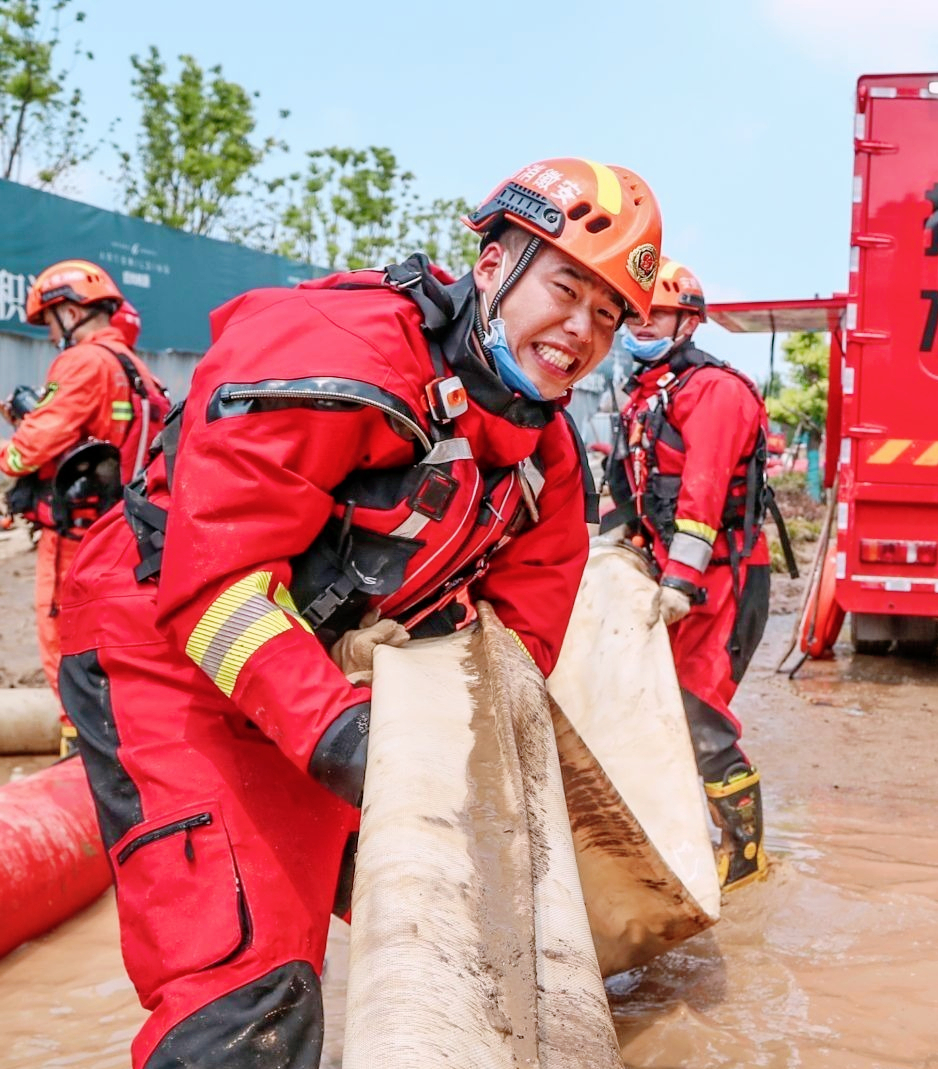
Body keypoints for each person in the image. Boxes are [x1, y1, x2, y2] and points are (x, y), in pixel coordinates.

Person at [57, 158, 662, 1069]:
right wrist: (357, 743)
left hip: (319, 678)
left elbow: (515, 644)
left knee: (450, 920)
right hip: (161, 649)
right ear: (493, 262)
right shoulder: (338, 356)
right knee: (244, 990)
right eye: (566, 286)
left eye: (609, 315)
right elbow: (211, 591)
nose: (581, 329)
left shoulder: (546, 456)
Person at [606, 257, 792, 892]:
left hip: (722, 581)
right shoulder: (645, 395)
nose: (639, 324)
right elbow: (628, 492)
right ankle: (675, 835)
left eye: (653, 313)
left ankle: (744, 858)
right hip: (671, 581)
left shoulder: (715, 391)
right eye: (632, 312)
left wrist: (681, 581)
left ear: (687, 321)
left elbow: (703, 495)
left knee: (696, 716)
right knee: (649, 711)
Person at [5, 261, 168, 734]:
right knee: (112, 647)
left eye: (51, 319)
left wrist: (13, 446)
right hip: (125, 534)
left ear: (71, 310)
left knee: (65, 645)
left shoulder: (81, 362)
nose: (52, 331)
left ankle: (77, 750)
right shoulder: (137, 368)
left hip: (76, 539)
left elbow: (27, 452)